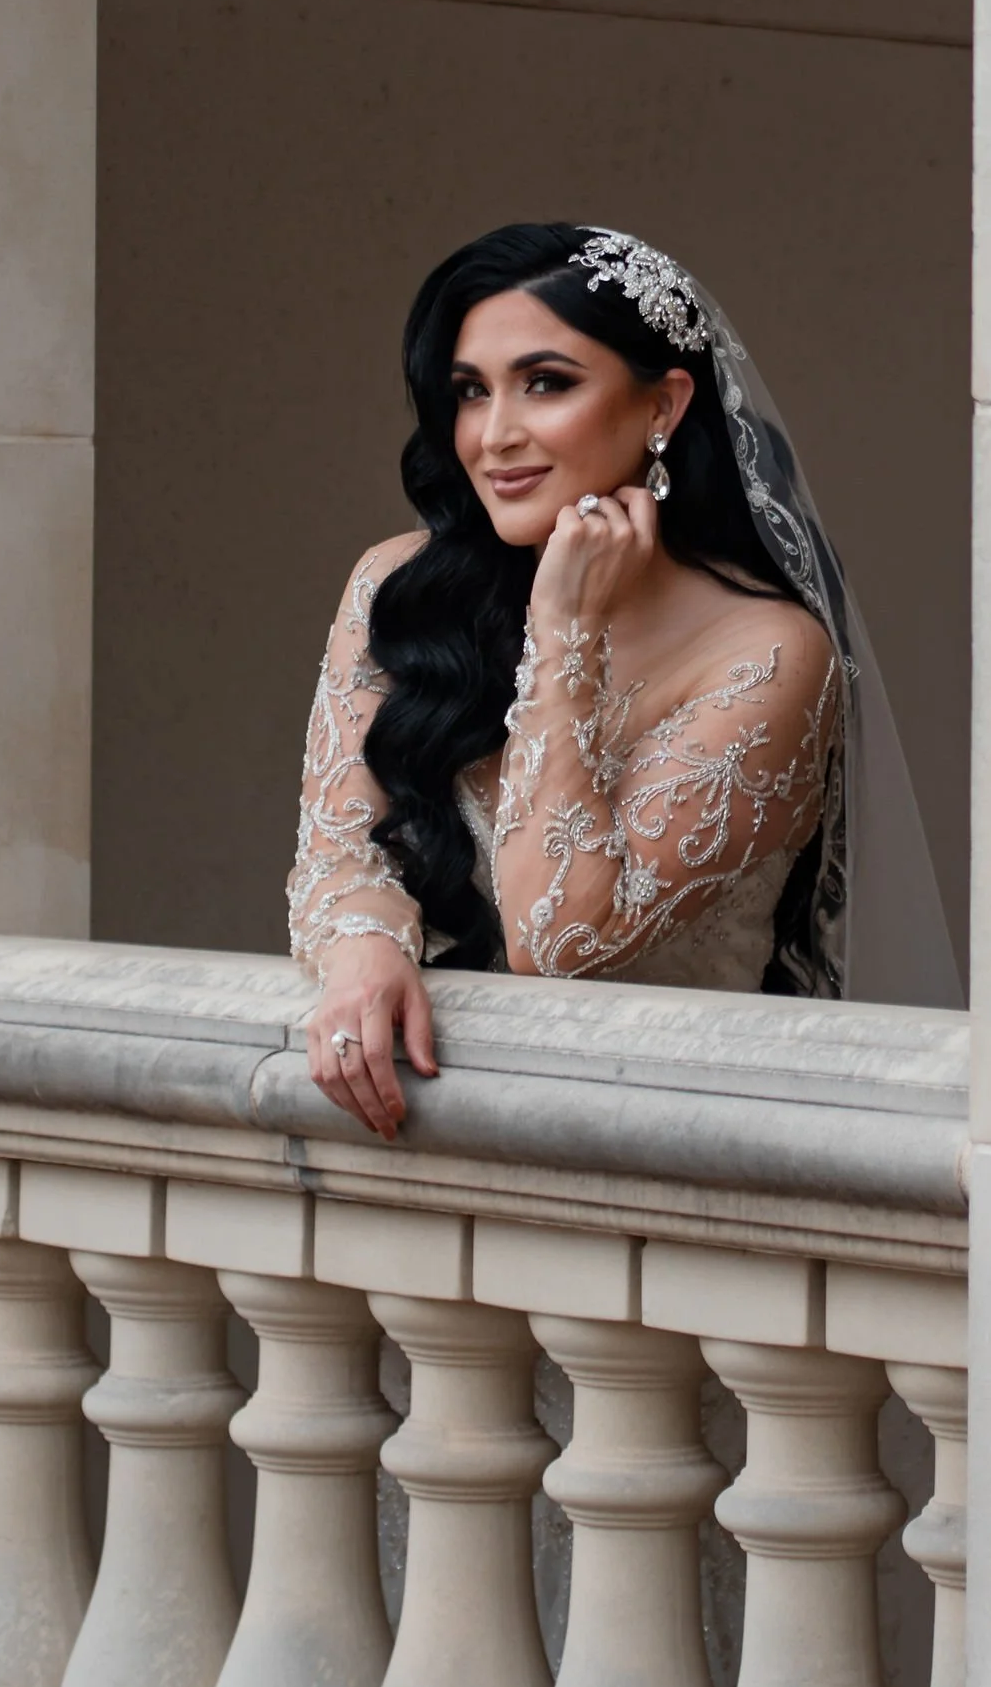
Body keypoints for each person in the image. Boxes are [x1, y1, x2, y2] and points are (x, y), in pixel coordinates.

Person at [288, 219, 951, 1141]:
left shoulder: (768, 653)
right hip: (424, 1146)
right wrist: (363, 951)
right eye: (471, 393)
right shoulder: (399, 588)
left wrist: (567, 630)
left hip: (658, 1161)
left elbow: (559, 940)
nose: (494, 435)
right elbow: (341, 848)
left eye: (546, 384)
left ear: (662, 408)